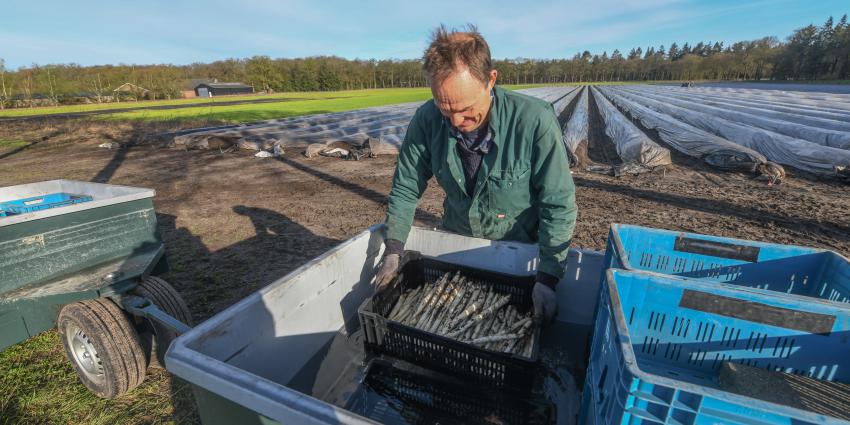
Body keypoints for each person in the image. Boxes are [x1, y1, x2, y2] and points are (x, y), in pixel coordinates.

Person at [375, 25, 577, 325]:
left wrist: (547, 278)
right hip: (457, 246)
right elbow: (406, 186)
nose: (456, 121)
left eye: (466, 109)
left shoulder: (534, 122)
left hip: (518, 253)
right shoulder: (427, 121)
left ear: (490, 80)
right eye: (445, 108)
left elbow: (557, 203)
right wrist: (393, 249)